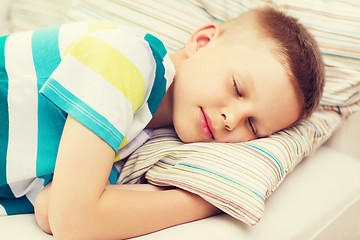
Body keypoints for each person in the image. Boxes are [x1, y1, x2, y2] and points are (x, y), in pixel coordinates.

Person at [0, 6, 324, 239]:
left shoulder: (139, 142)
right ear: (203, 42)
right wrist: (207, 200)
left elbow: (50, 208)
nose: (232, 119)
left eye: (252, 126)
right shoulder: (127, 58)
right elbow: (75, 222)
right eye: (237, 88)